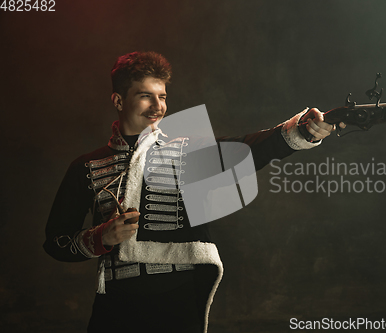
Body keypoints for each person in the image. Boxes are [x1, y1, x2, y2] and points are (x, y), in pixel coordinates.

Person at [44, 51, 340, 333]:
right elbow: (56, 242)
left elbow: (249, 148)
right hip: (116, 304)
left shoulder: (186, 153)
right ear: (119, 100)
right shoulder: (85, 166)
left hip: (177, 301)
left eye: (162, 97)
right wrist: (101, 238)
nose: (157, 106)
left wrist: (302, 129)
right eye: (145, 95)